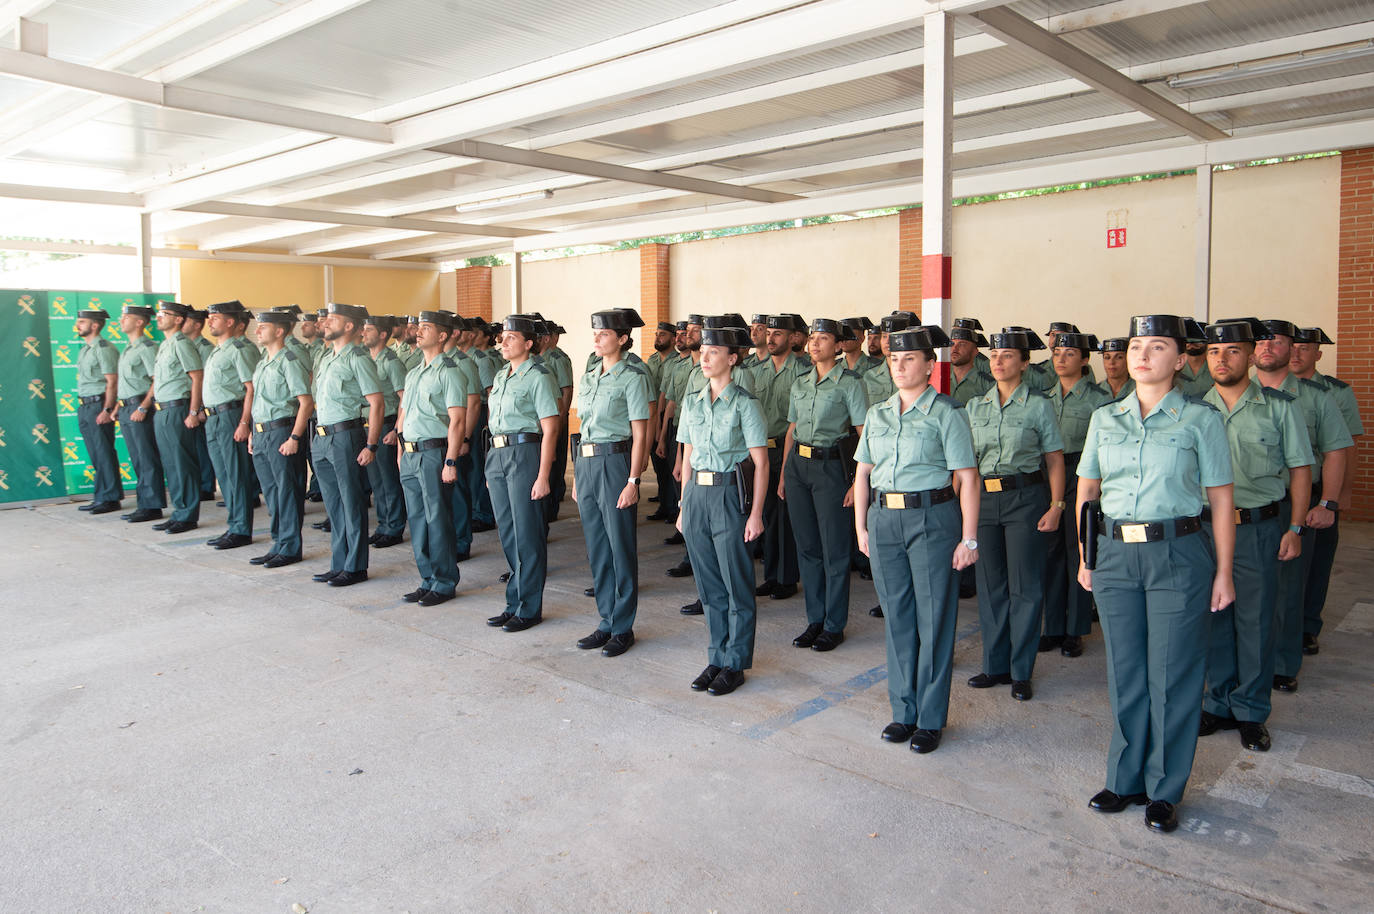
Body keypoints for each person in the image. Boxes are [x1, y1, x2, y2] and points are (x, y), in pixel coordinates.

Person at [1076, 314, 1235, 834]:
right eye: (1136, 345)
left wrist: (1224, 571)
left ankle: (1165, 789)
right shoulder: (1106, 418)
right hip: (1117, 554)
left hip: (1178, 553)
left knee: (1173, 675)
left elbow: (1220, 500)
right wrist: (1086, 558)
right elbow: (1088, 493)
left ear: (1180, 357)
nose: (1142, 355)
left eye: (1157, 346)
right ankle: (1124, 779)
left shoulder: (1200, 420)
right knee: (1126, 670)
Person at [854, 326, 979, 754]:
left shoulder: (947, 412)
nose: (900, 366)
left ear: (929, 365)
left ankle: (929, 717)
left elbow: (967, 477)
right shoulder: (879, 413)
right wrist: (861, 527)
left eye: (909, 360)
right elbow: (863, 472)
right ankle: (903, 711)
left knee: (933, 618)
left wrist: (969, 539)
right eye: (893, 359)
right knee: (898, 619)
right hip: (884, 519)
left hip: (932, 519)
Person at [1200, 318, 1312, 753]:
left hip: (1259, 529)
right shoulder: (1192, 409)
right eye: (1213, 351)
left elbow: (1301, 470)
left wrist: (1295, 527)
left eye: (1231, 351)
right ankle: (1218, 701)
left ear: (1249, 356)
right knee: (1213, 621)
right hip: (1206, 531)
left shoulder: (1279, 407)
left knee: (1257, 622)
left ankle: (1250, 710)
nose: (1222, 359)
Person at [965, 328, 1065, 701]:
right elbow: (966, 467)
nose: (998, 361)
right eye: (994, 355)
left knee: (1025, 586)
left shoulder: (1038, 405)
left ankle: (1021, 670)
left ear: (1024, 363)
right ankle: (995, 664)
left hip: (1026, 498)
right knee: (992, 587)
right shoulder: (976, 407)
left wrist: (1056, 506)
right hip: (985, 501)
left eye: (1007, 356)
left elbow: (1054, 459)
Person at [1255, 319, 1352, 691]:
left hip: (1295, 501)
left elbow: (1334, 452)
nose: (1268, 348)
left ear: (1291, 348)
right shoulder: (1233, 394)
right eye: (1261, 341)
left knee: (1289, 586)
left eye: (1277, 342)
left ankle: (1282, 663)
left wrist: (1327, 502)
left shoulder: (1315, 397)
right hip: (1244, 505)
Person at [677, 324, 768, 695]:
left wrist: (756, 513)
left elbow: (761, 463)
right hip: (697, 493)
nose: (704, 358)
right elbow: (689, 456)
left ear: (732, 359)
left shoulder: (746, 403)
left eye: (713, 352)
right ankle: (716, 656)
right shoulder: (692, 401)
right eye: (703, 351)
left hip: (730, 494)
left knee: (736, 584)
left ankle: (735, 662)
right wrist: (683, 504)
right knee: (709, 584)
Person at [780, 317, 868, 652]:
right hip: (799, 467)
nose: (815, 344)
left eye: (823, 338)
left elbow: (864, 435)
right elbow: (791, 428)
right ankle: (814, 619)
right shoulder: (801, 381)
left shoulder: (850, 383)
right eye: (813, 338)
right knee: (807, 547)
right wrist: (785, 473)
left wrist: (856, 483)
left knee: (834, 550)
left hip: (831, 468)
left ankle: (834, 624)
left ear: (838, 345)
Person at [571, 310, 651, 656]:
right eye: (595, 333)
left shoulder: (632, 376)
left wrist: (633, 480)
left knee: (620, 546)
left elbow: (640, 433)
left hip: (615, 461)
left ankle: (623, 626)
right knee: (597, 548)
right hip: (587, 462)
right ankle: (605, 619)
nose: (597, 338)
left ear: (621, 338)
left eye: (604, 334)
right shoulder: (590, 376)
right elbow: (583, 427)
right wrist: (576, 474)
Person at [1289, 326, 1363, 655]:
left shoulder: (1335, 393)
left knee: (1318, 559)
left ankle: (1307, 625)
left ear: (1317, 354)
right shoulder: (1267, 388)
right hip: (1280, 489)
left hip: (1319, 485)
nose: (1296, 354)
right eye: (1292, 347)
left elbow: (1347, 448)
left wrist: (1338, 497)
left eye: (1304, 349)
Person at [485, 315, 560, 632]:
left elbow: (551, 427)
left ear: (529, 344)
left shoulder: (539, 376)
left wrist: (543, 476)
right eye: (503, 337)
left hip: (525, 453)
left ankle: (529, 608)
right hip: (498, 453)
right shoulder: (502, 374)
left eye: (511, 337)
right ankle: (513, 602)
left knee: (527, 534)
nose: (503, 342)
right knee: (508, 532)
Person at [1041, 331, 1109, 658]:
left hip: (1083, 476)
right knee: (1050, 552)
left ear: (1084, 359)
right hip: (1049, 474)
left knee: (1078, 550)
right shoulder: (1043, 398)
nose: (1061, 358)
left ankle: (1076, 629)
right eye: (1057, 353)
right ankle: (1053, 626)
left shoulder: (1099, 400)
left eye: (1069, 353)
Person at [396, 311, 468, 606]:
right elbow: (403, 417)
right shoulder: (414, 372)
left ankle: (444, 581)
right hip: (411, 453)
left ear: (443, 335)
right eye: (419, 327)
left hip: (433, 453)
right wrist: (400, 451)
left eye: (427, 327)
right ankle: (427, 578)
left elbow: (458, 420)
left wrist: (450, 461)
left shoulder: (450, 371)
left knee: (437, 519)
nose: (419, 331)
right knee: (417, 519)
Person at [311, 302, 385, 587]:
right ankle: (338, 562)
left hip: (345, 435)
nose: (326, 323)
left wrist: (371, 444)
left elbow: (376, 403)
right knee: (334, 505)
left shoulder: (358, 358)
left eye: (332, 319)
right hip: (321, 436)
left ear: (350, 326)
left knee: (351, 502)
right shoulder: (329, 357)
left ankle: (355, 566)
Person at [747, 313, 809, 605]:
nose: (770, 339)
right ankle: (771, 575)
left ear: (793, 338)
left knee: (785, 517)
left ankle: (786, 578)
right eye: (768, 334)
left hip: (790, 448)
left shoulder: (803, 370)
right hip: (762, 448)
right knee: (767, 515)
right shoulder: (756, 371)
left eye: (778, 334)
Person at [246, 308, 313, 568]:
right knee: (271, 493)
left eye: (264, 326)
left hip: (282, 432)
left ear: (280, 331)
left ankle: (290, 547)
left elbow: (305, 403)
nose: (258, 330)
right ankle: (278, 543)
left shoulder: (290, 360)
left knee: (287, 491)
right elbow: (258, 402)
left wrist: (295, 437)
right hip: (262, 432)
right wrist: (252, 431)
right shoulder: (264, 361)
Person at [200, 300, 261, 550]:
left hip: (231, 415)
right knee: (224, 474)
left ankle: (241, 529)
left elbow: (251, 388)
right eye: (210, 317)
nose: (210, 320)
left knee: (236, 474)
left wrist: (245, 422)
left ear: (231, 322)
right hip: (213, 417)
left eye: (216, 317)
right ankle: (234, 524)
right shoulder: (219, 349)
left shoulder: (239, 349)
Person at [148, 300, 205, 534]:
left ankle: (188, 515)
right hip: (162, 409)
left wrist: (193, 411)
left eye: (164, 314)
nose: (159, 317)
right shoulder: (166, 344)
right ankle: (178, 511)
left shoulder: (182, 344)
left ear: (179, 319)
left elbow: (197, 378)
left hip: (177, 408)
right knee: (171, 464)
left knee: (183, 463)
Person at [114, 304, 165, 523]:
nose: (120, 321)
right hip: (126, 407)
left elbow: (157, 380)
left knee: (146, 457)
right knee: (136, 458)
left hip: (139, 407)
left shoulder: (146, 347)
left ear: (140, 322)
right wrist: (118, 405)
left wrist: (144, 406)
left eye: (125, 317)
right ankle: (143, 503)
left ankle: (152, 506)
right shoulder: (128, 348)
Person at [363, 314, 408, 549]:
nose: (364, 333)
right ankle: (383, 524)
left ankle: (395, 526)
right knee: (376, 480)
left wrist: (396, 428)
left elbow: (404, 398)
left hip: (387, 422)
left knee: (389, 480)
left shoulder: (390, 361)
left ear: (382, 334)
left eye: (369, 329)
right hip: (369, 424)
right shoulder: (366, 359)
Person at [73, 307, 122, 514]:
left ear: (94, 325)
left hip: (98, 404)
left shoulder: (104, 348)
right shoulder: (86, 349)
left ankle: (110, 498)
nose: (78, 325)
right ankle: (101, 495)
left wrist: (107, 409)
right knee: (95, 453)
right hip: (85, 405)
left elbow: (112, 381)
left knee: (103, 452)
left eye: (82, 322)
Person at [182, 308, 218, 501]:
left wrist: (201, 408)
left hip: (200, 402)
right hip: (187, 401)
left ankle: (206, 485)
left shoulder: (204, 347)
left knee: (202, 445)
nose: (183, 324)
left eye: (186, 321)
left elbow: (204, 379)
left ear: (197, 324)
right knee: (192, 446)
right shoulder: (183, 344)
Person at [948, 319, 994, 406]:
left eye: (962, 344)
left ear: (975, 351)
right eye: (952, 344)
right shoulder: (940, 378)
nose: (955, 348)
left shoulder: (987, 384)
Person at [1096, 337, 1134, 401]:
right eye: (1107, 357)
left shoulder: (1139, 390)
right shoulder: (1094, 392)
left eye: (1119, 357)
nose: (1111, 362)